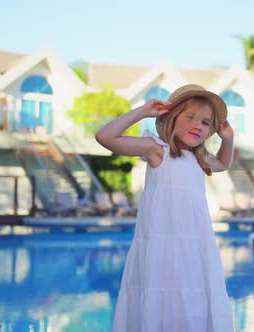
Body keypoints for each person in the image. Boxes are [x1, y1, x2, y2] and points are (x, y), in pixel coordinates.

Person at [96, 84, 235, 331]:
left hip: (193, 247)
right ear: (172, 117)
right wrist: (143, 111)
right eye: (190, 117)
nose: (197, 125)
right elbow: (105, 137)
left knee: (191, 301)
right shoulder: (156, 150)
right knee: (160, 299)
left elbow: (224, 162)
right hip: (162, 247)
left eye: (205, 122)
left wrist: (229, 139)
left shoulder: (200, 160)